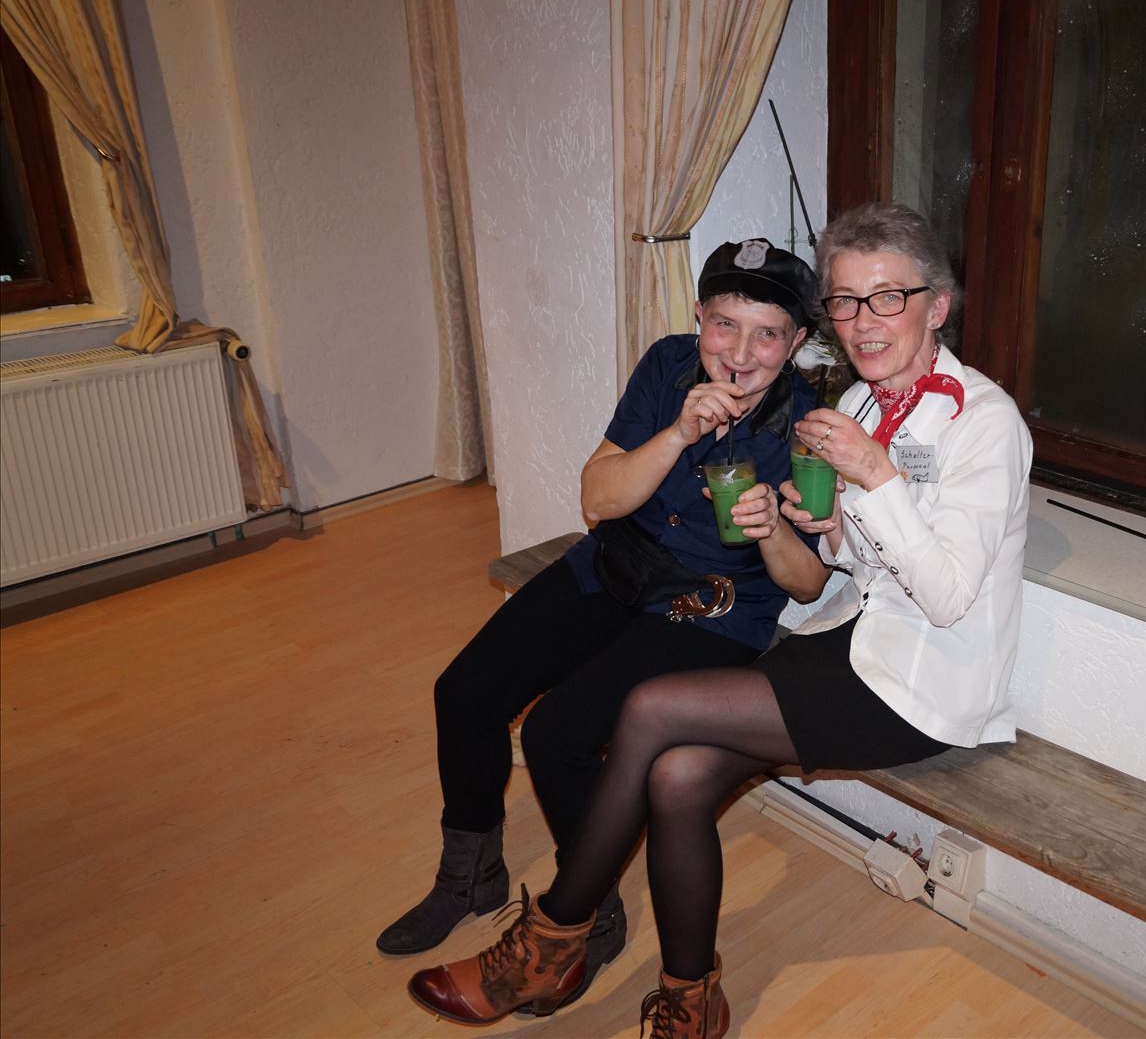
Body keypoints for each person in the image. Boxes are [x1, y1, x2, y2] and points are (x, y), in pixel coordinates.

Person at [406, 203, 1033, 1038]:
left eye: (887, 298)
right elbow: (855, 564)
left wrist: (872, 480)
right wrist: (822, 524)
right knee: (675, 777)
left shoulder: (983, 422)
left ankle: (551, 941)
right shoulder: (865, 402)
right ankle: (691, 1001)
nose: (862, 321)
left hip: (922, 681)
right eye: (847, 301)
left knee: (648, 710)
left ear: (937, 306)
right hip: (853, 643)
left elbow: (947, 598)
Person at [377, 239, 827, 1018]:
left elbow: (808, 582)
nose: (740, 353)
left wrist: (770, 531)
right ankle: (470, 875)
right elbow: (597, 499)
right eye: (725, 324)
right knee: (466, 692)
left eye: (766, 334)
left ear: (795, 342)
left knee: (558, 734)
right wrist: (676, 434)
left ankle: (586, 915)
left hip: (713, 610)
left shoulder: (809, 427)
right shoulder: (667, 367)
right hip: (613, 568)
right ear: (699, 317)